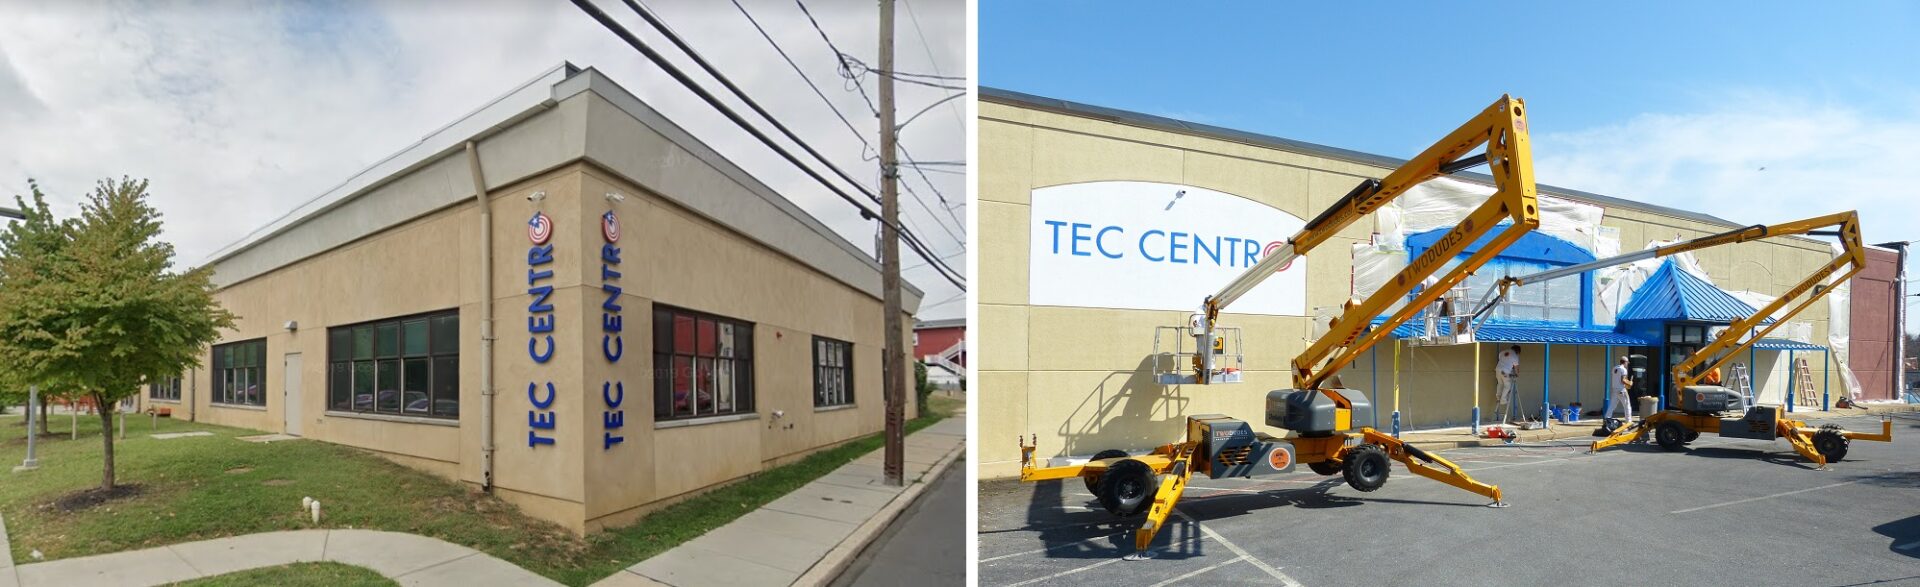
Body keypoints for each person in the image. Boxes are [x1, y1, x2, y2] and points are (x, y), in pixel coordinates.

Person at [1494, 345, 1521, 423]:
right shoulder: (1515, 356)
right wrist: (1517, 374)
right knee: (1507, 385)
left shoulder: (1502, 352)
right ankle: (1503, 400)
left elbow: (1503, 361)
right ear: (1517, 351)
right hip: (1505, 372)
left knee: (1500, 383)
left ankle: (1498, 397)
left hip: (1498, 370)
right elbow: (1516, 368)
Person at [1606, 355, 1633, 423]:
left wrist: (1626, 382)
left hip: (1615, 389)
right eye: (1627, 362)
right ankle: (1629, 422)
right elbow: (1623, 380)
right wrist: (1629, 383)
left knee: (1612, 406)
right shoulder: (1623, 369)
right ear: (1625, 362)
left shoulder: (1615, 368)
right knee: (1627, 406)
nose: (1627, 364)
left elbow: (1618, 379)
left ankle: (1606, 420)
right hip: (1621, 390)